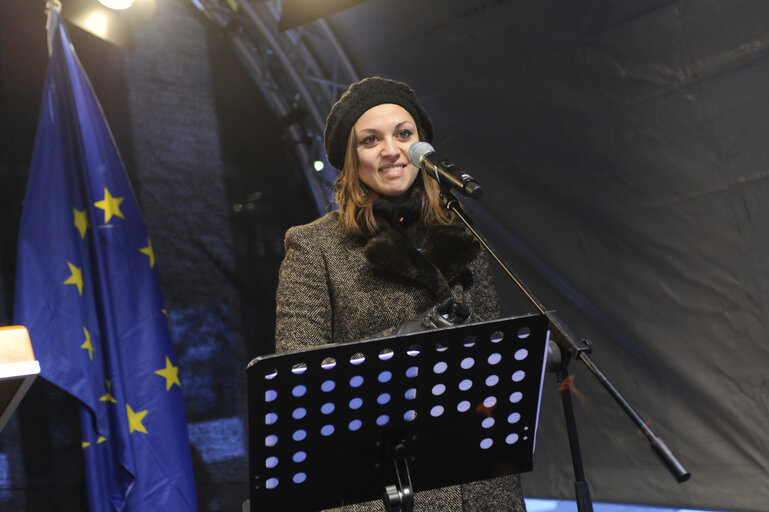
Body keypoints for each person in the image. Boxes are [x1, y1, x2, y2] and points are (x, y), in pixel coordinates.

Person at [274, 77, 527, 512]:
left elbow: (494, 362)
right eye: (371, 140)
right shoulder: (313, 246)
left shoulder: (460, 232)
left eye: (403, 134)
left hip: (479, 486)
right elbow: (299, 372)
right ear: (352, 160)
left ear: (422, 148)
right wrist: (409, 336)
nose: (391, 150)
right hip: (380, 490)